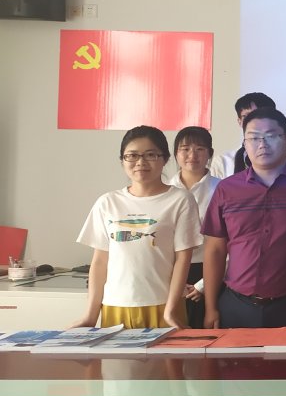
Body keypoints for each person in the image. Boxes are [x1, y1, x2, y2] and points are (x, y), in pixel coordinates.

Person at [201, 107, 286, 328]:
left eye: (271, 136)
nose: (262, 144)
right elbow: (215, 250)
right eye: (253, 138)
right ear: (244, 144)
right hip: (236, 306)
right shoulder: (227, 189)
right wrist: (210, 307)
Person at [75, 126, 202, 329]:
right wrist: (90, 316)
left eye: (150, 155)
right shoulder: (107, 202)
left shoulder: (180, 200)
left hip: (162, 305)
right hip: (115, 305)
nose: (141, 162)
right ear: (122, 160)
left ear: (165, 159)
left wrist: (170, 310)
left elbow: (183, 259)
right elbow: (100, 262)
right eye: (132, 156)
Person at [169, 126, 221, 329]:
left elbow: (229, 243)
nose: (192, 155)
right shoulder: (164, 190)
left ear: (210, 154)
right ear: (175, 154)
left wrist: (202, 285)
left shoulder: (222, 189)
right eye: (185, 149)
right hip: (170, 272)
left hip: (211, 270)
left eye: (200, 149)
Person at [209, 92, 275, 179]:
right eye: (246, 116)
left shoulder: (284, 161)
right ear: (239, 121)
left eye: (258, 115)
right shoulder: (222, 163)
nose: (252, 121)